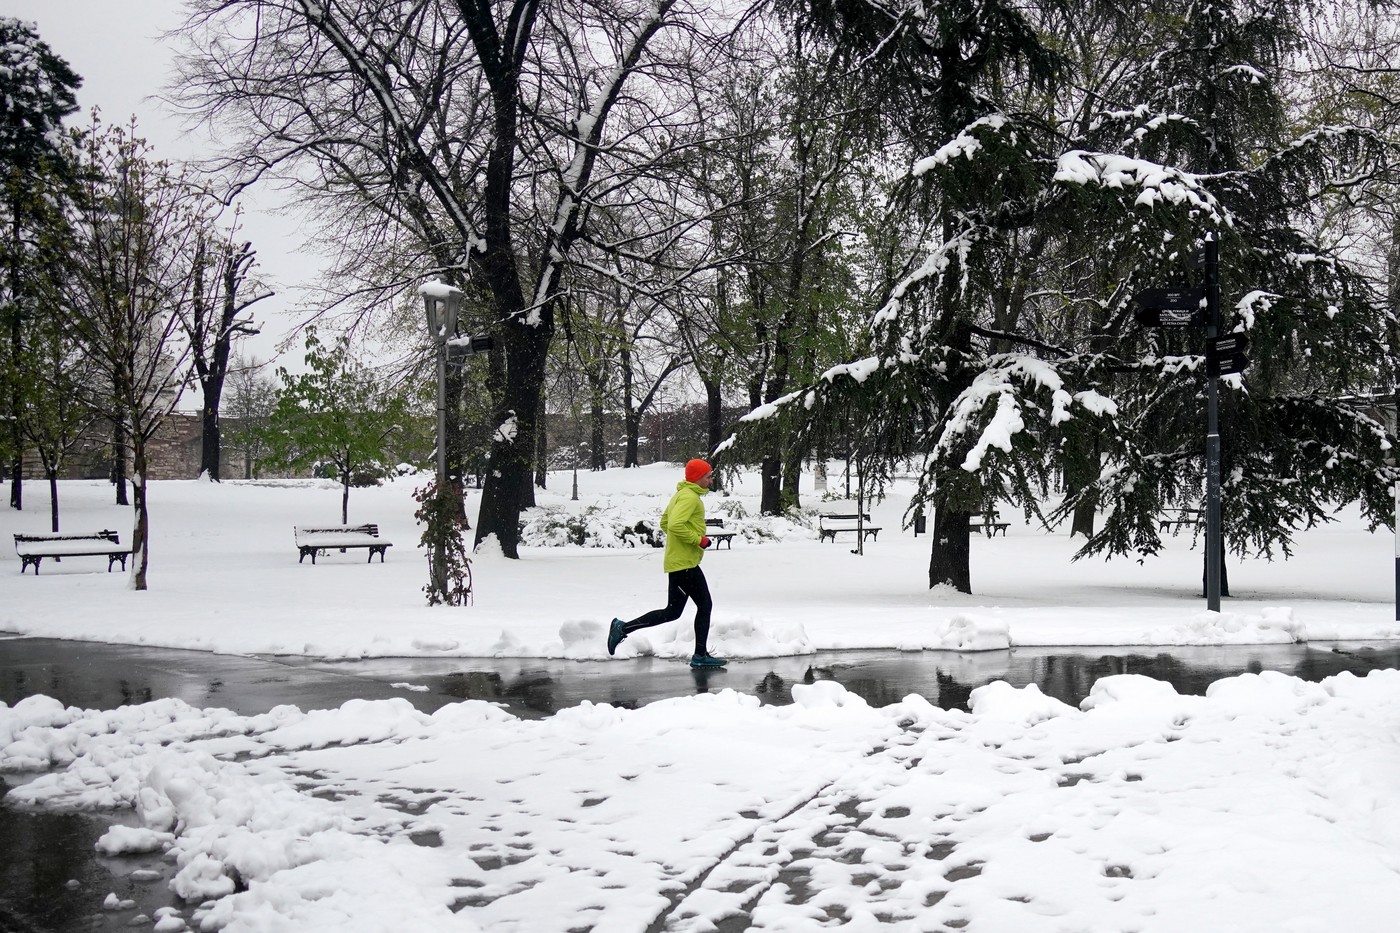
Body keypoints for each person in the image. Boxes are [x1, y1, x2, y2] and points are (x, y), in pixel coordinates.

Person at [608, 459, 726, 668]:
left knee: (673, 611)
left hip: (681, 562)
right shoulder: (690, 498)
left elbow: (665, 523)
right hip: (684, 564)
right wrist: (697, 540)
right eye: (708, 476)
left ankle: (623, 628)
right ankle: (699, 655)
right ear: (698, 478)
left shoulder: (681, 494)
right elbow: (674, 524)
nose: (711, 479)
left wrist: (679, 543)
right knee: (704, 606)